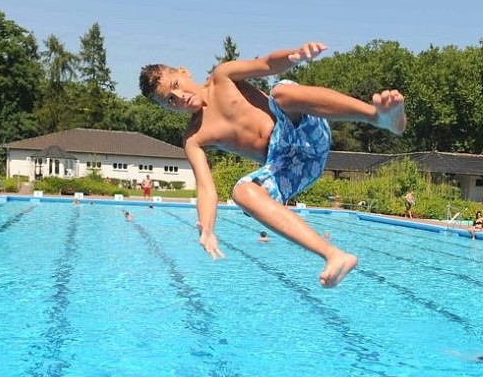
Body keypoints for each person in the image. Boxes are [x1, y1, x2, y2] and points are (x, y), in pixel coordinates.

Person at [139, 41, 406, 287]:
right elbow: (207, 189)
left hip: (302, 131)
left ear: (184, 72)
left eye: (176, 85)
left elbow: (267, 64)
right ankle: (334, 255)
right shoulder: (194, 138)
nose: (179, 96)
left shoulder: (223, 77)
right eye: (170, 100)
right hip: (290, 167)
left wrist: (294, 56)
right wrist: (207, 228)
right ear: (168, 109)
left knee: (281, 90)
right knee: (242, 192)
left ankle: (377, 117)